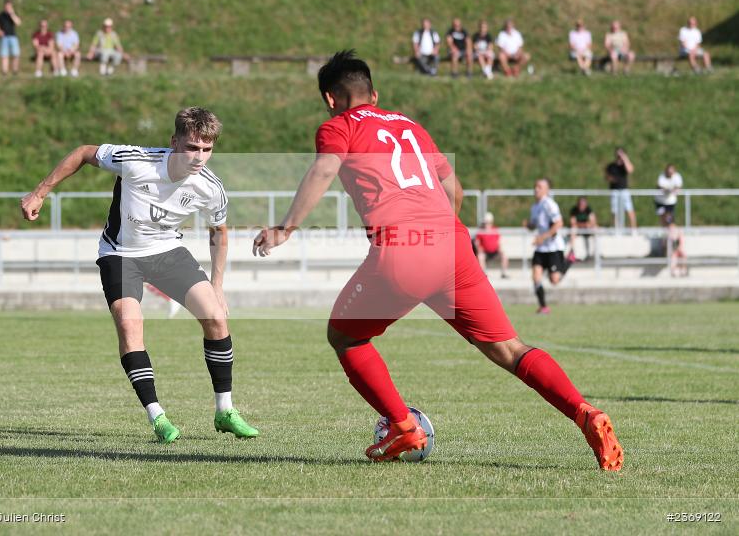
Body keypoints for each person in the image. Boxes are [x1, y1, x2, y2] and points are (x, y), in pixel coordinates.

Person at [252, 50, 623, 470]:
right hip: (452, 246)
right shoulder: (411, 126)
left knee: (346, 338)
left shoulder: (338, 126)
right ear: (374, 93)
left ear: (330, 99)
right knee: (509, 348)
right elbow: (455, 190)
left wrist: (285, 229)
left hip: (404, 250)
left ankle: (402, 425)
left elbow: (323, 171)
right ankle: (585, 412)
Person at [20, 107, 258, 444]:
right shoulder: (136, 160)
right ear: (174, 142)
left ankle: (225, 411)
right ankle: (157, 416)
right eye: (192, 147)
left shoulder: (211, 188)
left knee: (216, 317)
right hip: (120, 254)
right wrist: (40, 192)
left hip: (167, 252)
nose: (199, 157)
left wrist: (218, 287)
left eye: (207, 149)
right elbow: (84, 153)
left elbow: (219, 232)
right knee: (130, 323)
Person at [527, 179, 568, 315]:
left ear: (547, 190)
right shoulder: (535, 207)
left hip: (553, 247)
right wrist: (529, 225)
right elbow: (534, 224)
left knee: (554, 280)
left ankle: (570, 260)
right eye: (535, 186)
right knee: (536, 276)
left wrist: (542, 238)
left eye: (539, 187)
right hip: (541, 249)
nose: (536, 189)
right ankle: (543, 306)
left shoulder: (549, 204)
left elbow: (559, 223)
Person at [605, 147, 637, 233]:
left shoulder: (625, 165)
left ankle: (633, 229)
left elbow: (630, 170)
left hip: (624, 190)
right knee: (614, 210)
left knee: (629, 209)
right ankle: (615, 229)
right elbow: (607, 177)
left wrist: (625, 158)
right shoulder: (611, 166)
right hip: (614, 191)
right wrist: (610, 179)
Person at [475, 212, 509, 278]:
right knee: (480, 256)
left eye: (489, 222)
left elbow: (499, 242)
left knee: (504, 255)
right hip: (485, 252)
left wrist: (500, 249)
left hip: (495, 251)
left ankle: (503, 273)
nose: (487, 224)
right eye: (486, 222)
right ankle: (484, 275)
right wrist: (479, 249)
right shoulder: (481, 231)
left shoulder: (495, 229)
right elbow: (477, 242)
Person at [0, 0, 21, 76]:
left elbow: (18, 23)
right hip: (4, 37)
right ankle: (4, 71)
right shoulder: (0, 15)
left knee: (15, 54)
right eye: (6, 6)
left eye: (9, 6)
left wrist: (12, 14)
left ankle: (15, 70)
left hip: (13, 36)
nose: (8, 8)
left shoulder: (14, 14)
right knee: (4, 55)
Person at [568, 196, 597, 262]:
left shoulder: (588, 210)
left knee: (595, 228)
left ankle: (595, 252)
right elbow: (573, 223)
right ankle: (572, 252)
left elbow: (593, 222)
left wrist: (586, 225)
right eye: (580, 204)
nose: (582, 205)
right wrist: (584, 224)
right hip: (578, 229)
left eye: (583, 204)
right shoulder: (574, 210)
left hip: (586, 229)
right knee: (573, 229)